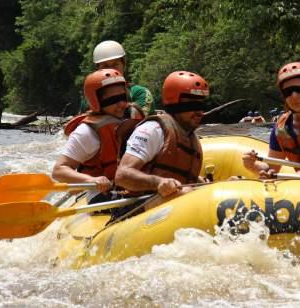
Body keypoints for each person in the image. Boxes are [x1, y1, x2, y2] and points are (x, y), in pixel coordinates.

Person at [115, 71, 209, 210]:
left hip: (174, 205)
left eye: (201, 105)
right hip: (138, 209)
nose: (199, 112)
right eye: (192, 105)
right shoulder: (154, 130)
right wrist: (158, 183)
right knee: (187, 194)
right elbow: (122, 175)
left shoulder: (190, 136)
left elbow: (182, 175)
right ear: (175, 103)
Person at [53, 69, 143, 194]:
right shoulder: (87, 132)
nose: (121, 104)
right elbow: (59, 170)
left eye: (123, 97)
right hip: (102, 194)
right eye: (112, 100)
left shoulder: (135, 116)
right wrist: (92, 180)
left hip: (136, 187)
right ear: (96, 102)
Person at [243, 62, 300, 177]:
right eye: (288, 92)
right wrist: (253, 165)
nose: (294, 96)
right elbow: (272, 168)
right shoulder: (281, 128)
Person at [79, 40, 156, 115]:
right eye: (105, 66)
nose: (111, 69)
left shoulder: (139, 93)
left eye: (115, 64)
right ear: (97, 69)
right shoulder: (89, 100)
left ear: (124, 65)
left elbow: (139, 118)